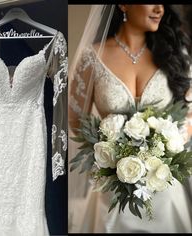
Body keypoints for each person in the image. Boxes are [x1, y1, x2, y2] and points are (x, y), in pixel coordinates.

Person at [68, 5, 192, 233]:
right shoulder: (92, 57)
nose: (159, 9)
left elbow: (190, 114)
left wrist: (166, 147)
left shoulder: (174, 53)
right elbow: (76, 120)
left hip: (164, 188)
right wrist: (110, 155)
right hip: (114, 194)